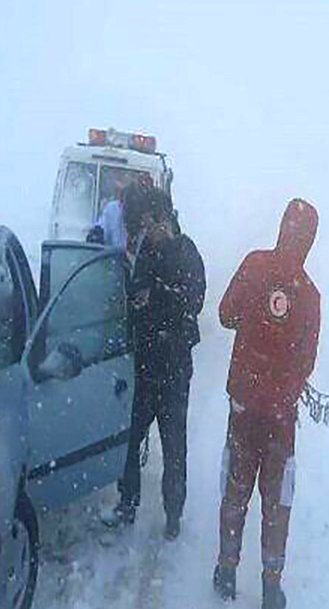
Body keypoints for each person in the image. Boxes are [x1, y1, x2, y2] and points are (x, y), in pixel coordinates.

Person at [213, 198, 320, 609]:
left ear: (281, 228)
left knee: (236, 487)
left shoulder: (254, 265)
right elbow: (308, 361)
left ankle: (226, 570)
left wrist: (251, 325)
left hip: (243, 405)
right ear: (310, 240)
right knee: (277, 500)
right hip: (280, 416)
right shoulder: (309, 295)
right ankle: (271, 586)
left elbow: (224, 315)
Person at [102, 185, 206, 541]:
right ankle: (127, 503)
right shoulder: (147, 248)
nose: (148, 229)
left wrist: (158, 294)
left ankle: (173, 514)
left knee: (174, 446)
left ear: (167, 220)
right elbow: (135, 291)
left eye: (152, 222)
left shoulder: (188, 252)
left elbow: (194, 302)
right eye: (144, 223)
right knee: (131, 439)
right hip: (145, 364)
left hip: (175, 367)